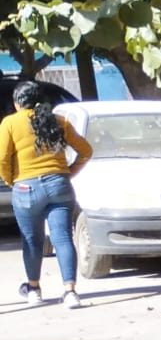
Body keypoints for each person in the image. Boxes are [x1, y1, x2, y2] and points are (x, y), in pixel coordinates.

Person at [0, 81, 93, 307]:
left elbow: (2, 158)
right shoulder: (59, 121)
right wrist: (69, 172)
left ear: (17, 102)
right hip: (59, 183)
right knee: (62, 237)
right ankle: (70, 292)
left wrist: (11, 181)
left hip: (26, 187)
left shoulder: (10, 123)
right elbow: (86, 151)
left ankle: (34, 290)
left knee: (32, 241)